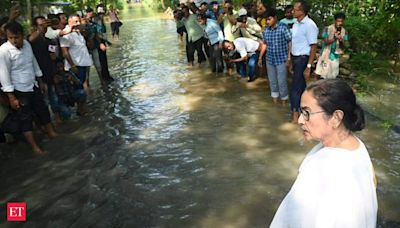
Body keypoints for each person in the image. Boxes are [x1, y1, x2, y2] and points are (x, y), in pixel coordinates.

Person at [270, 79, 378, 228]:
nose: (301, 120)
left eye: (307, 112)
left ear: (336, 118)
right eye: (301, 112)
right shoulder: (357, 148)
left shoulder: (322, 169)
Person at [0, 22, 57, 155]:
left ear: (22, 35)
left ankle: (51, 132)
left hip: (33, 85)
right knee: (25, 119)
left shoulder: (27, 45)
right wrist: (11, 97)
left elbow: (33, 63)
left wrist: (40, 81)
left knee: (42, 109)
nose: (14, 41)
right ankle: (34, 147)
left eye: (16, 37)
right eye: (10, 38)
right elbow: (4, 75)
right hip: (18, 90)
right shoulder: (3, 51)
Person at [289, 0, 318, 123]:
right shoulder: (295, 24)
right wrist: (290, 60)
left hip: (303, 59)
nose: (292, 11)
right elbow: (293, 42)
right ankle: (305, 114)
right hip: (295, 58)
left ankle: (295, 118)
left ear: (302, 11)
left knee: (295, 89)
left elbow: (313, 47)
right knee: (300, 88)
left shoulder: (310, 25)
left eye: (295, 9)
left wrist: (309, 66)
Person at [262, 8, 291, 104]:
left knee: (282, 82)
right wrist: (260, 58)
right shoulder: (266, 29)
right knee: (272, 81)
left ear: (275, 18)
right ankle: (275, 103)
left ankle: (284, 102)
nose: (267, 21)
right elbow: (265, 44)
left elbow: (290, 42)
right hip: (270, 59)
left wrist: (289, 58)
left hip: (282, 59)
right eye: (266, 20)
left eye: (269, 19)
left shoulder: (283, 27)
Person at [59, 14, 93, 87]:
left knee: (81, 85)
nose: (78, 23)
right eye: (76, 21)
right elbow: (65, 52)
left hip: (83, 64)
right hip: (76, 66)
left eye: (79, 21)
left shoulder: (78, 33)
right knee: (77, 89)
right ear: (70, 22)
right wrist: (72, 65)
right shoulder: (66, 35)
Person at [315, 12, 348, 79]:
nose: (340, 23)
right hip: (325, 54)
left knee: (332, 77)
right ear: (335, 21)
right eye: (338, 21)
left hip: (335, 56)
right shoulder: (327, 29)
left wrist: (341, 40)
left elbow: (345, 46)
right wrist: (335, 38)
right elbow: (326, 41)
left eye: (341, 21)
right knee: (320, 73)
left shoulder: (344, 32)